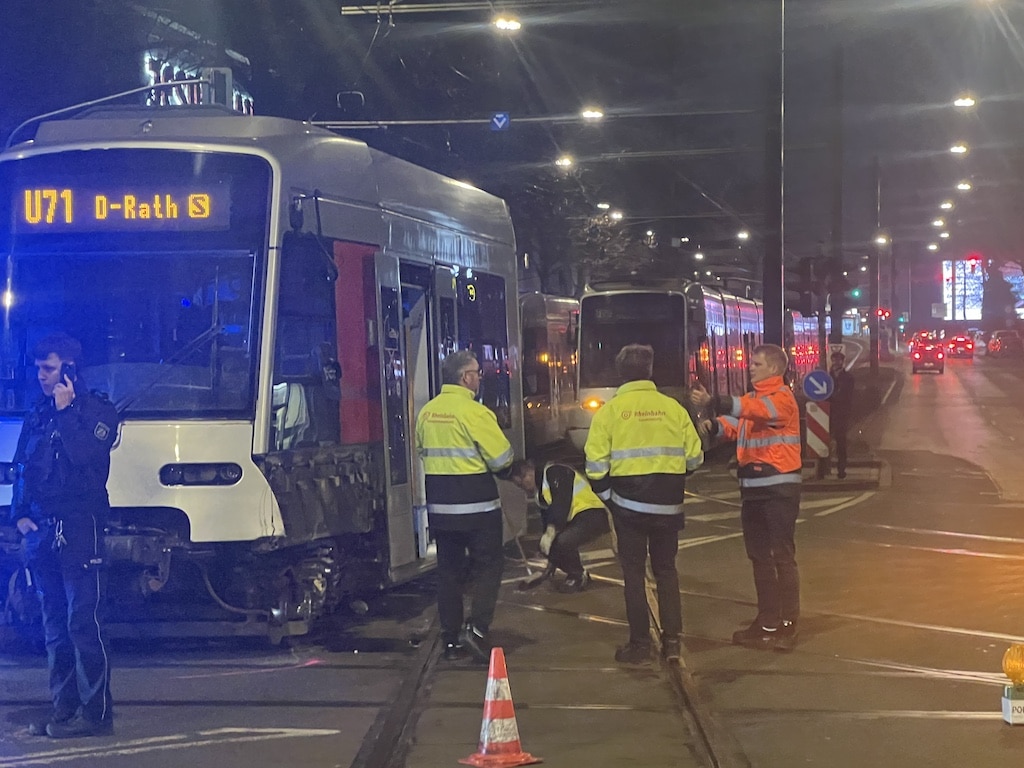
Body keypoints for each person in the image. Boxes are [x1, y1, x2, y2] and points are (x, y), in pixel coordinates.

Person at [12, 333, 119, 738]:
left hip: (80, 527)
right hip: (42, 529)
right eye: (38, 368)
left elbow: (84, 456)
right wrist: (20, 516)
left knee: (83, 623)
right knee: (53, 626)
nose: (40, 376)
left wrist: (67, 410)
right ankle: (64, 709)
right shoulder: (38, 413)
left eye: (49, 368)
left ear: (70, 370)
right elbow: (23, 465)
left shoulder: (98, 414)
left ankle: (96, 715)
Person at [584, 344, 704, 664]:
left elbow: (595, 466)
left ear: (621, 373)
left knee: (634, 575)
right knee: (666, 571)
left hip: (628, 508)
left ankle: (639, 643)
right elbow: (694, 457)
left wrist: (611, 499)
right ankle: (673, 642)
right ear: (649, 371)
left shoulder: (609, 412)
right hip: (668, 507)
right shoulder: (673, 408)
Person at [690, 343, 802, 652]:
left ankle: (787, 623)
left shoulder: (781, 399)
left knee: (779, 556)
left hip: (778, 489)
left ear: (775, 370)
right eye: (751, 363)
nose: (750, 367)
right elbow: (740, 424)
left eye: (757, 363)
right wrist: (714, 425)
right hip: (754, 489)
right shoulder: (753, 399)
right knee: (760, 558)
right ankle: (768, 620)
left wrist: (716, 401)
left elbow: (754, 412)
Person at [415, 349, 514, 663]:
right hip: (478, 507)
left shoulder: (428, 412)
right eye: (477, 373)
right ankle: (477, 629)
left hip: (442, 508)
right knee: (489, 566)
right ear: (465, 377)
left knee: (449, 572)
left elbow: (422, 450)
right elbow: (502, 460)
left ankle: (451, 641)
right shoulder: (476, 412)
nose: (479, 378)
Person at [508, 458, 609, 593]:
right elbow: (549, 524)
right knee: (546, 545)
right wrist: (549, 563)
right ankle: (576, 572)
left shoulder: (555, 471)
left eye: (522, 483)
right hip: (575, 519)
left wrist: (551, 533)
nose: (524, 488)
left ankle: (578, 575)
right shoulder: (541, 494)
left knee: (563, 541)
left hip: (591, 514)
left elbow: (561, 504)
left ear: (529, 473)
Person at [829, 351, 855, 480]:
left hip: (841, 415)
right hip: (827, 413)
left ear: (842, 362)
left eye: (838, 360)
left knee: (841, 443)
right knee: (823, 441)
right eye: (834, 360)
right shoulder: (827, 377)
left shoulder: (848, 378)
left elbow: (848, 397)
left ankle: (841, 469)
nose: (836, 363)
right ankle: (824, 469)